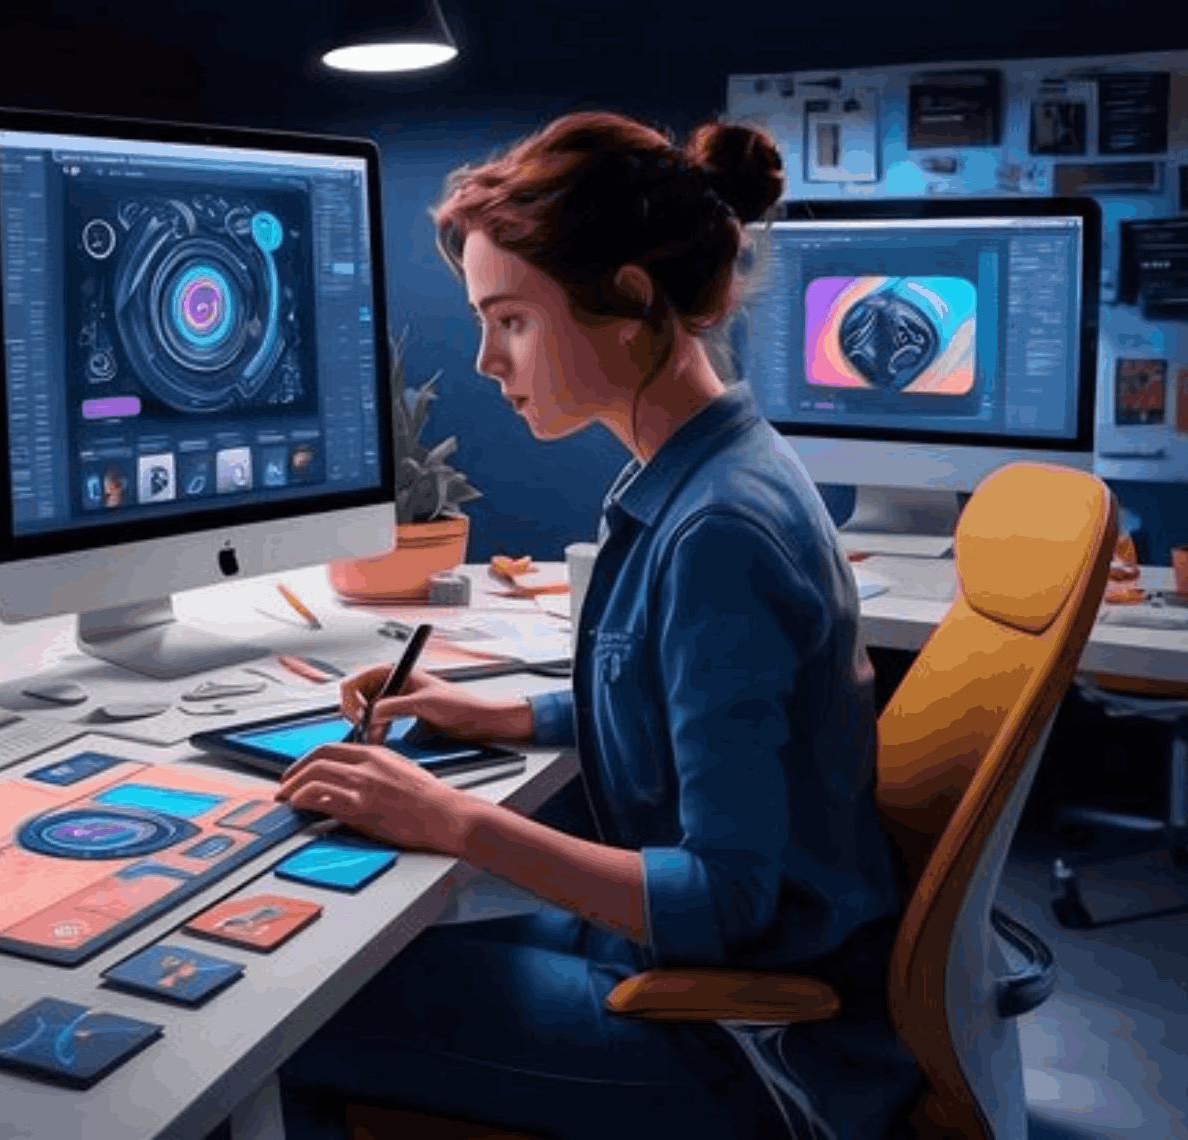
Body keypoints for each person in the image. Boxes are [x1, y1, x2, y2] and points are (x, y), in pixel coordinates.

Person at [273, 111, 920, 1140]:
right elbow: (685, 703)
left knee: (287, 1015)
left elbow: (724, 898)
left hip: (740, 1038)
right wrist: (501, 718)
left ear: (625, 300)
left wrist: (449, 818)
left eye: (511, 320)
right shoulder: (711, 472)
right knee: (339, 960)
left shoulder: (717, 530)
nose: (487, 358)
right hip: (696, 975)